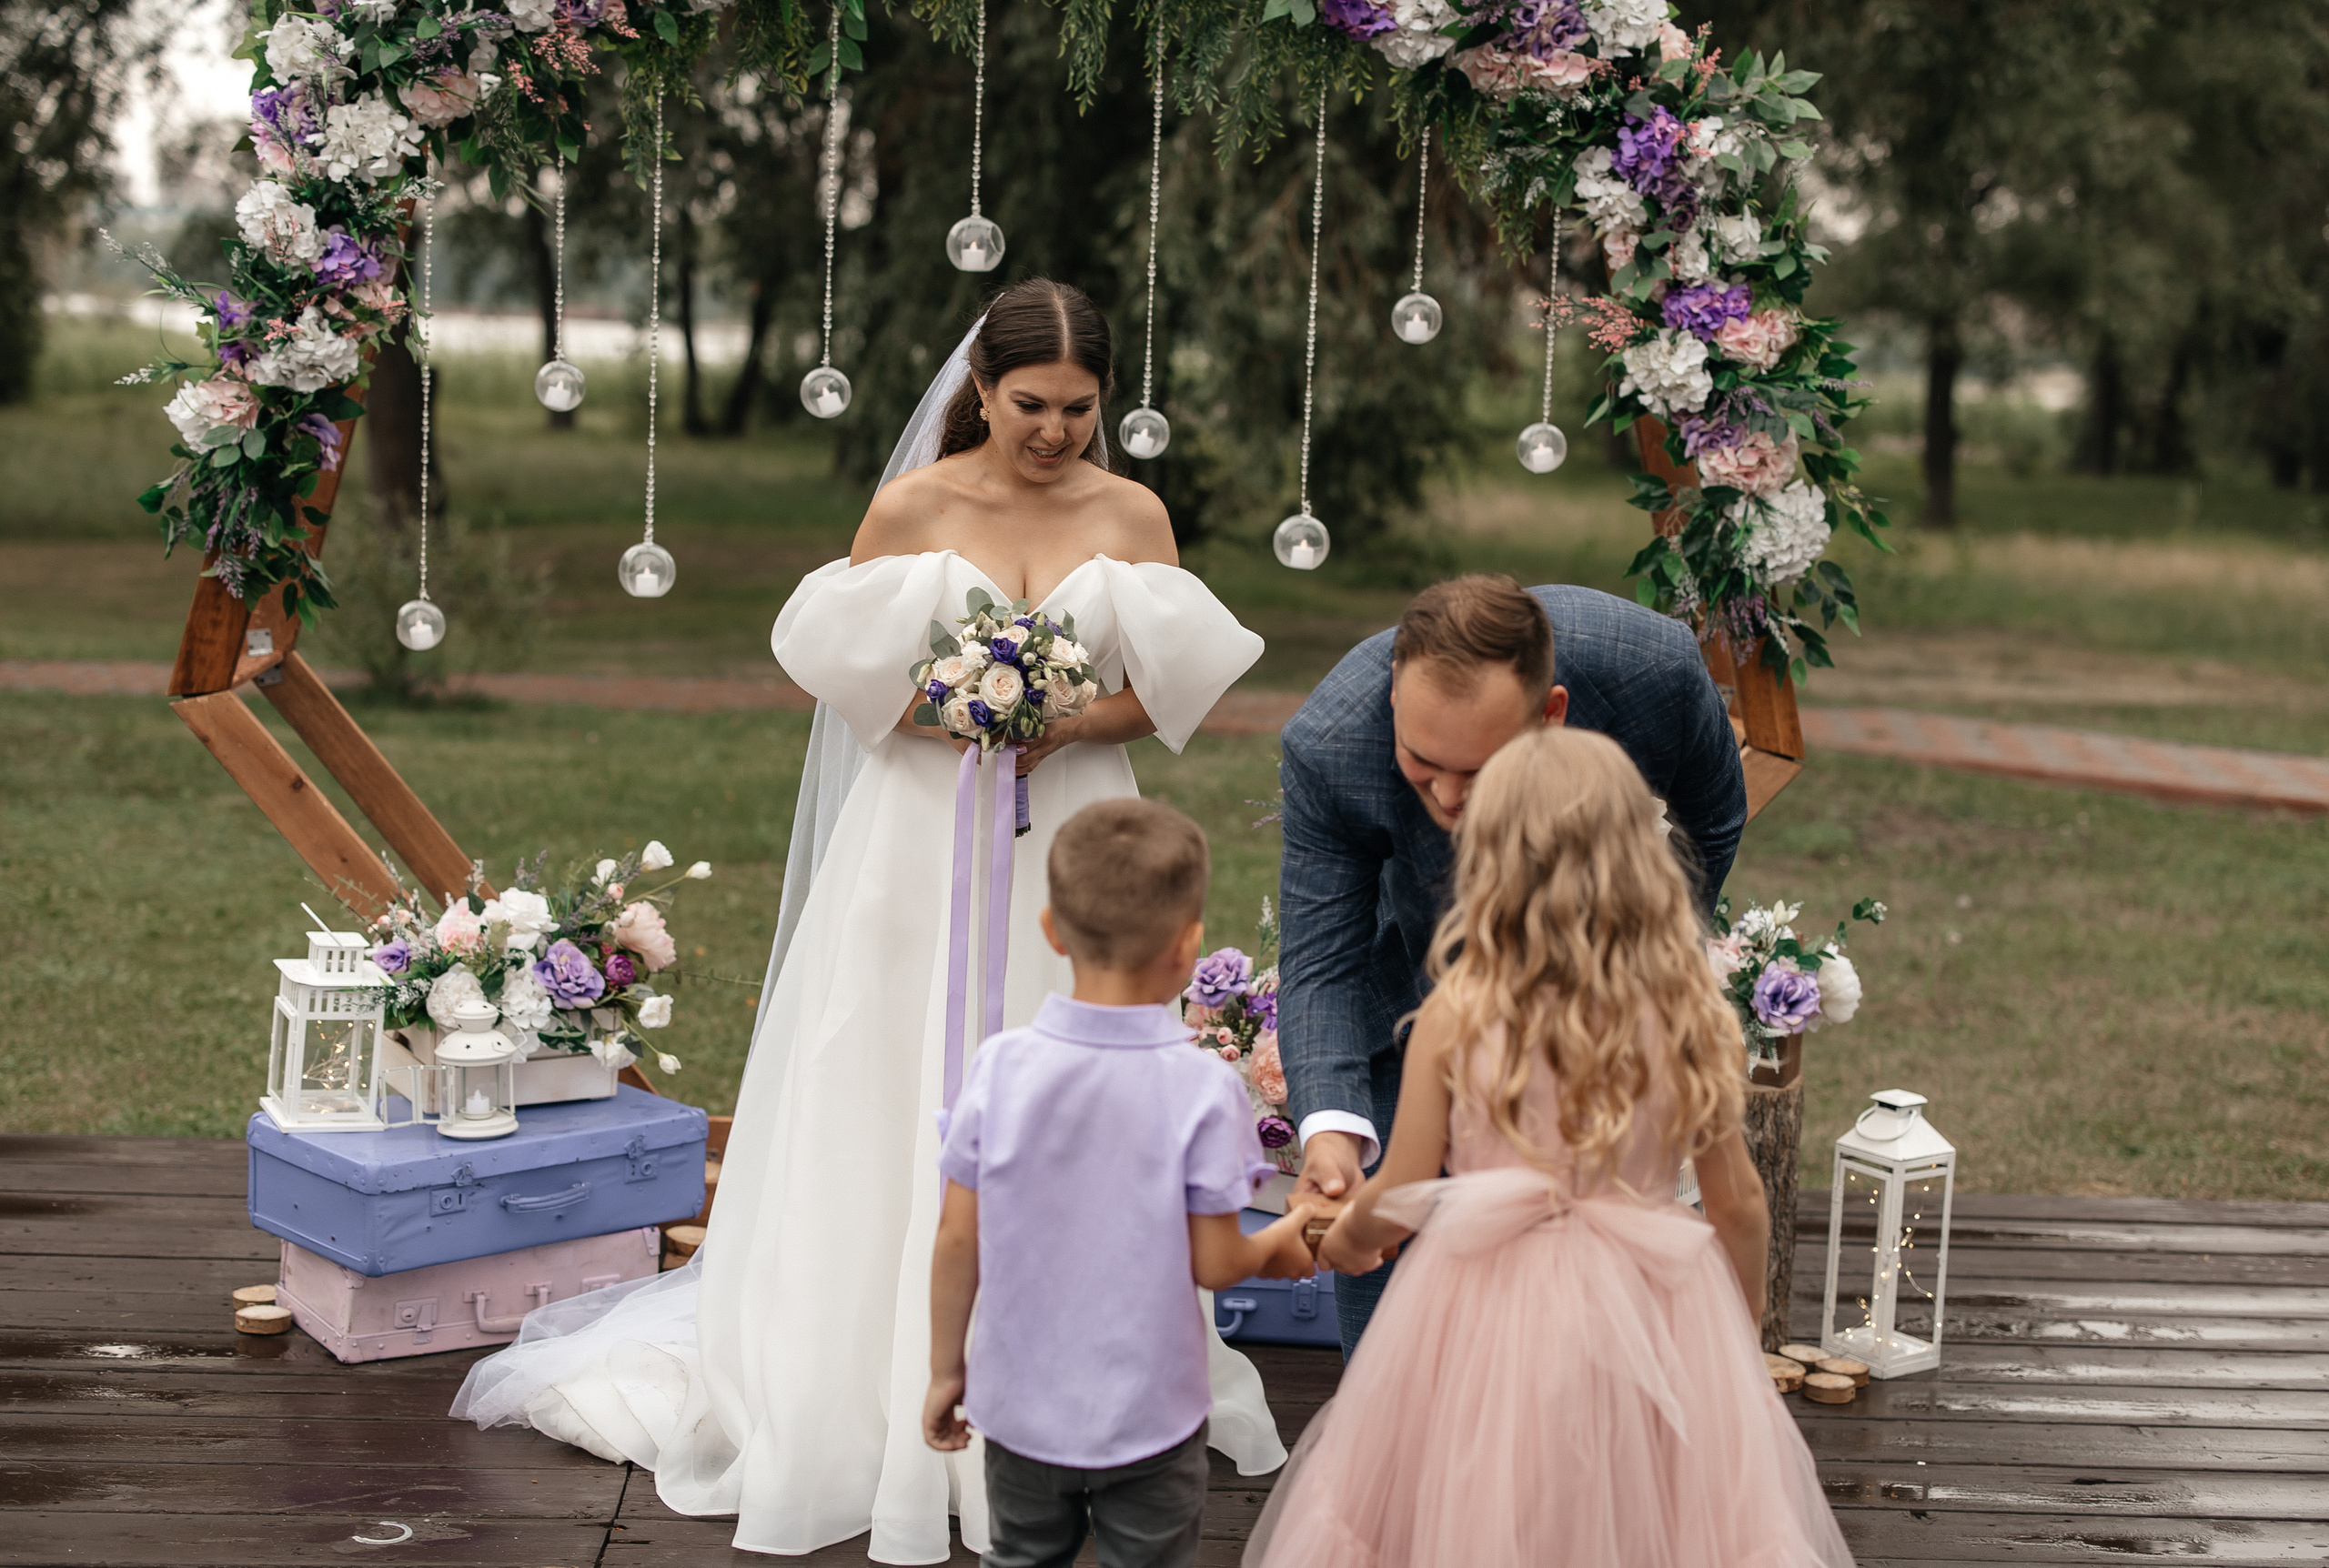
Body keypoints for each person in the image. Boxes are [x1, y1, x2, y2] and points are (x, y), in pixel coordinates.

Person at [451, 279, 1284, 1563]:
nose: (1053, 431)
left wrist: (1056, 720)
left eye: (1077, 408)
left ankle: (1069, 1374)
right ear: (982, 390)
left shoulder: (1131, 515)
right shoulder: (914, 506)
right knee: (890, 1065)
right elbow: (852, 682)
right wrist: (962, 714)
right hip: (915, 832)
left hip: (1070, 829)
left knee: (1056, 1059)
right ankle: (868, 1371)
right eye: (1029, 404)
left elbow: (1162, 693)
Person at [1249, 727, 1851, 1568]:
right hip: (1652, 1307)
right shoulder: (1690, 1010)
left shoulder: (1462, 1010)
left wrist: (1347, 1241)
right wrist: (1734, 1354)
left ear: (1489, 861)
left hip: (1486, 1312)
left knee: (1488, 1503)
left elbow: (1402, 1192)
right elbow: (1739, 1203)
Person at [1275, 572, 1746, 1352]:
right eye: (1423, 762)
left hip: (1602, 1014)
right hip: (1411, 1003)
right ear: (1393, 693)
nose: (1450, 798)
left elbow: (1714, 819)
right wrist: (1330, 1135)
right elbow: (1322, 962)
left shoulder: (1652, 672)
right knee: (1393, 1334)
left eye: (1481, 770)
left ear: (1552, 713)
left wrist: (1635, 953)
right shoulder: (1331, 745)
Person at [923, 799, 1319, 1568]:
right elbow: (1217, 1263)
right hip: (1151, 1413)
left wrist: (946, 1370)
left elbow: (958, 1238)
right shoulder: (1203, 1089)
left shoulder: (1000, 1068)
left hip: (1021, 1408)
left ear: (1052, 930)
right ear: (1189, 947)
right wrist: (1285, 1240)